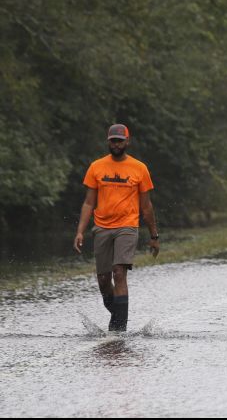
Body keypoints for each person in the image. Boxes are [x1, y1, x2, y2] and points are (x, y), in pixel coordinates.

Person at [73, 124, 159, 332]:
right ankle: (118, 312)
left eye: (120, 140)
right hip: (101, 227)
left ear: (127, 141)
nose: (117, 144)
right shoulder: (96, 167)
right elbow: (88, 203)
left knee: (119, 272)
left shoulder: (139, 168)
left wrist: (154, 235)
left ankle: (118, 328)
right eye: (113, 140)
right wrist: (80, 231)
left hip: (128, 226)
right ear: (108, 142)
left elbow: (146, 206)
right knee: (104, 280)